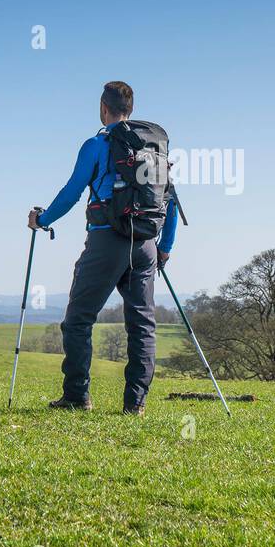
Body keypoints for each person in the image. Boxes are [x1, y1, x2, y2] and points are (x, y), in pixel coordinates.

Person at [28, 81, 177, 415]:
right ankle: (134, 405)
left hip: (106, 240)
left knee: (78, 320)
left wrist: (43, 219)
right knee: (142, 326)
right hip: (145, 245)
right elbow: (170, 199)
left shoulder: (96, 145)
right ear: (131, 109)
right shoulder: (154, 149)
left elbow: (72, 192)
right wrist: (165, 247)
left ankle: (77, 397)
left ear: (103, 107)